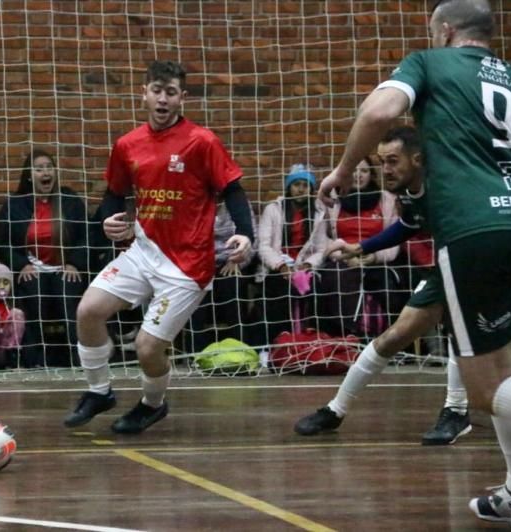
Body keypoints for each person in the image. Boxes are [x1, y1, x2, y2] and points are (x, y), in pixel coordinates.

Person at [318, 0, 511, 526]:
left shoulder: (428, 62)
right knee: (503, 365)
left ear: (444, 31)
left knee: (487, 391)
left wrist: (342, 169)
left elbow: (379, 112)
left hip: (472, 228)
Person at [63, 60, 253, 434]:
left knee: (147, 348)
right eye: (156, 90)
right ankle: (99, 391)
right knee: (88, 310)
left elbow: (233, 189)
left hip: (187, 265)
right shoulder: (127, 144)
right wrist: (108, 220)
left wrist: (246, 233)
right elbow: (114, 195)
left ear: (183, 97)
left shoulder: (202, 141)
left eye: (171, 92)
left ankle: (152, 404)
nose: (163, 99)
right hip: (143, 251)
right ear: (144, 93)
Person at [294, 126, 471, 446]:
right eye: (382, 162)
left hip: (480, 263)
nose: (385, 169)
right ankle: (335, 410)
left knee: (475, 346)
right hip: (447, 265)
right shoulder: (408, 190)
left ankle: (457, 411)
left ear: (417, 160)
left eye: (392, 161)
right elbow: (409, 224)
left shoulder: (446, 187)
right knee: (393, 336)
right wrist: (360, 247)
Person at [0, 148, 89, 367]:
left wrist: (74, 263)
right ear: (29, 175)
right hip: (33, 268)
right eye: (39, 169)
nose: (45, 173)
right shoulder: (15, 205)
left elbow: (86, 235)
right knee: (33, 289)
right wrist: (21, 265)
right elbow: (2, 242)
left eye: (49, 167)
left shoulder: (70, 200)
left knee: (68, 291)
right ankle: (35, 358)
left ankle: (79, 356)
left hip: (64, 267)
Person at [298, 156, 401, 337]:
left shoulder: (387, 201)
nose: (358, 175)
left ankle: (389, 338)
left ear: (372, 174)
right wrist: (344, 254)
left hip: (375, 260)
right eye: (353, 170)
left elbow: (395, 239)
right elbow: (321, 239)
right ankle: (346, 333)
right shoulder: (331, 200)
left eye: (364, 171)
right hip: (342, 258)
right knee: (336, 275)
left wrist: (373, 256)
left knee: (387, 283)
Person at [184, 200, 257, 354]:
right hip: (200, 262)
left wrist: (237, 261)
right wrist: (201, 264)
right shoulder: (195, 200)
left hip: (231, 261)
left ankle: (239, 349)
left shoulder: (239, 205)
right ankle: (195, 353)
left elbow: (253, 240)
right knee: (194, 291)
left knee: (233, 285)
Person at [257, 164, 319, 342]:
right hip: (278, 267)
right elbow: (264, 246)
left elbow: (321, 248)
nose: (301, 189)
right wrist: (281, 266)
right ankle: (278, 341)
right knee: (278, 289)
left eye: (305, 185)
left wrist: (308, 265)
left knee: (318, 289)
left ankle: (310, 338)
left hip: (305, 266)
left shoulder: (319, 212)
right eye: (296, 184)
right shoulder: (273, 209)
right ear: (289, 186)